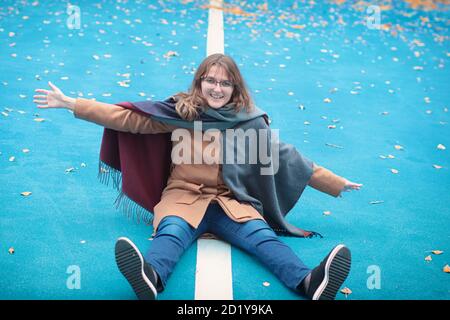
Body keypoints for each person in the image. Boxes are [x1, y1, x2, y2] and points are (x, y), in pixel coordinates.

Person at [34, 53, 362, 300]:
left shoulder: (247, 122)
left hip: (231, 202)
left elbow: (289, 159)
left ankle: (310, 282)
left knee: (263, 238)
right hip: (183, 197)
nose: (216, 88)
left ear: (234, 88)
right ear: (199, 82)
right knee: (172, 231)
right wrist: (72, 104)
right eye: (210, 81)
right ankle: (151, 277)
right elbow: (127, 119)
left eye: (224, 83)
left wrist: (335, 182)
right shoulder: (181, 113)